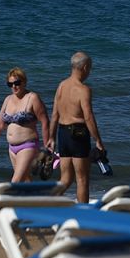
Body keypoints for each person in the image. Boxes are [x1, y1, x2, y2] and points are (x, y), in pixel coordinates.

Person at [47, 50, 105, 204]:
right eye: (90, 68)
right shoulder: (84, 90)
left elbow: (54, 114)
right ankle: (83, 214)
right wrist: (98, 140)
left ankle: (49, 201)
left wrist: (51, 137)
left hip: (62, 134)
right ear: (85, 67)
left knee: (65, 178)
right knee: (82, 179)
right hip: (78, 134)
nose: (89, 72)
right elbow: (88, 117)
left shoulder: (61, 86)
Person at [0, 67, 50, 182]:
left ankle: (5, 199)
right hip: (12, 149)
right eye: (10, 84)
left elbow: (45, 122)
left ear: (24, 82)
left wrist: (47, 147)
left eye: (17, 83)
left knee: (15, 182)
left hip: (28, 146)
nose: (14, 86)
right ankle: (39, 199)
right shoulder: (8, 99)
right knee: (26, 181)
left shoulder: (32, 98)